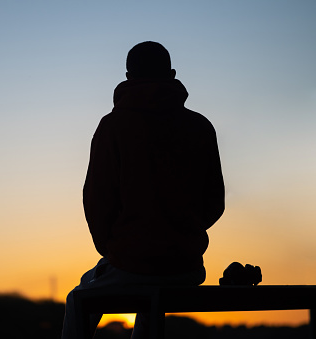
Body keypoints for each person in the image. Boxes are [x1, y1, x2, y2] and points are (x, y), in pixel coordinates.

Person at [61, 41, 225, 338]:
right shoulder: (200, 126)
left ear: (127, 77)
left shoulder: (113, 126)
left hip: (130, 261)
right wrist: (183, 232)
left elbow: (97, 199)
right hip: (186, 266)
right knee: (152, 301)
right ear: (172, 75)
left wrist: (114, 249)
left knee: (78, 299)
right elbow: (215, 202)